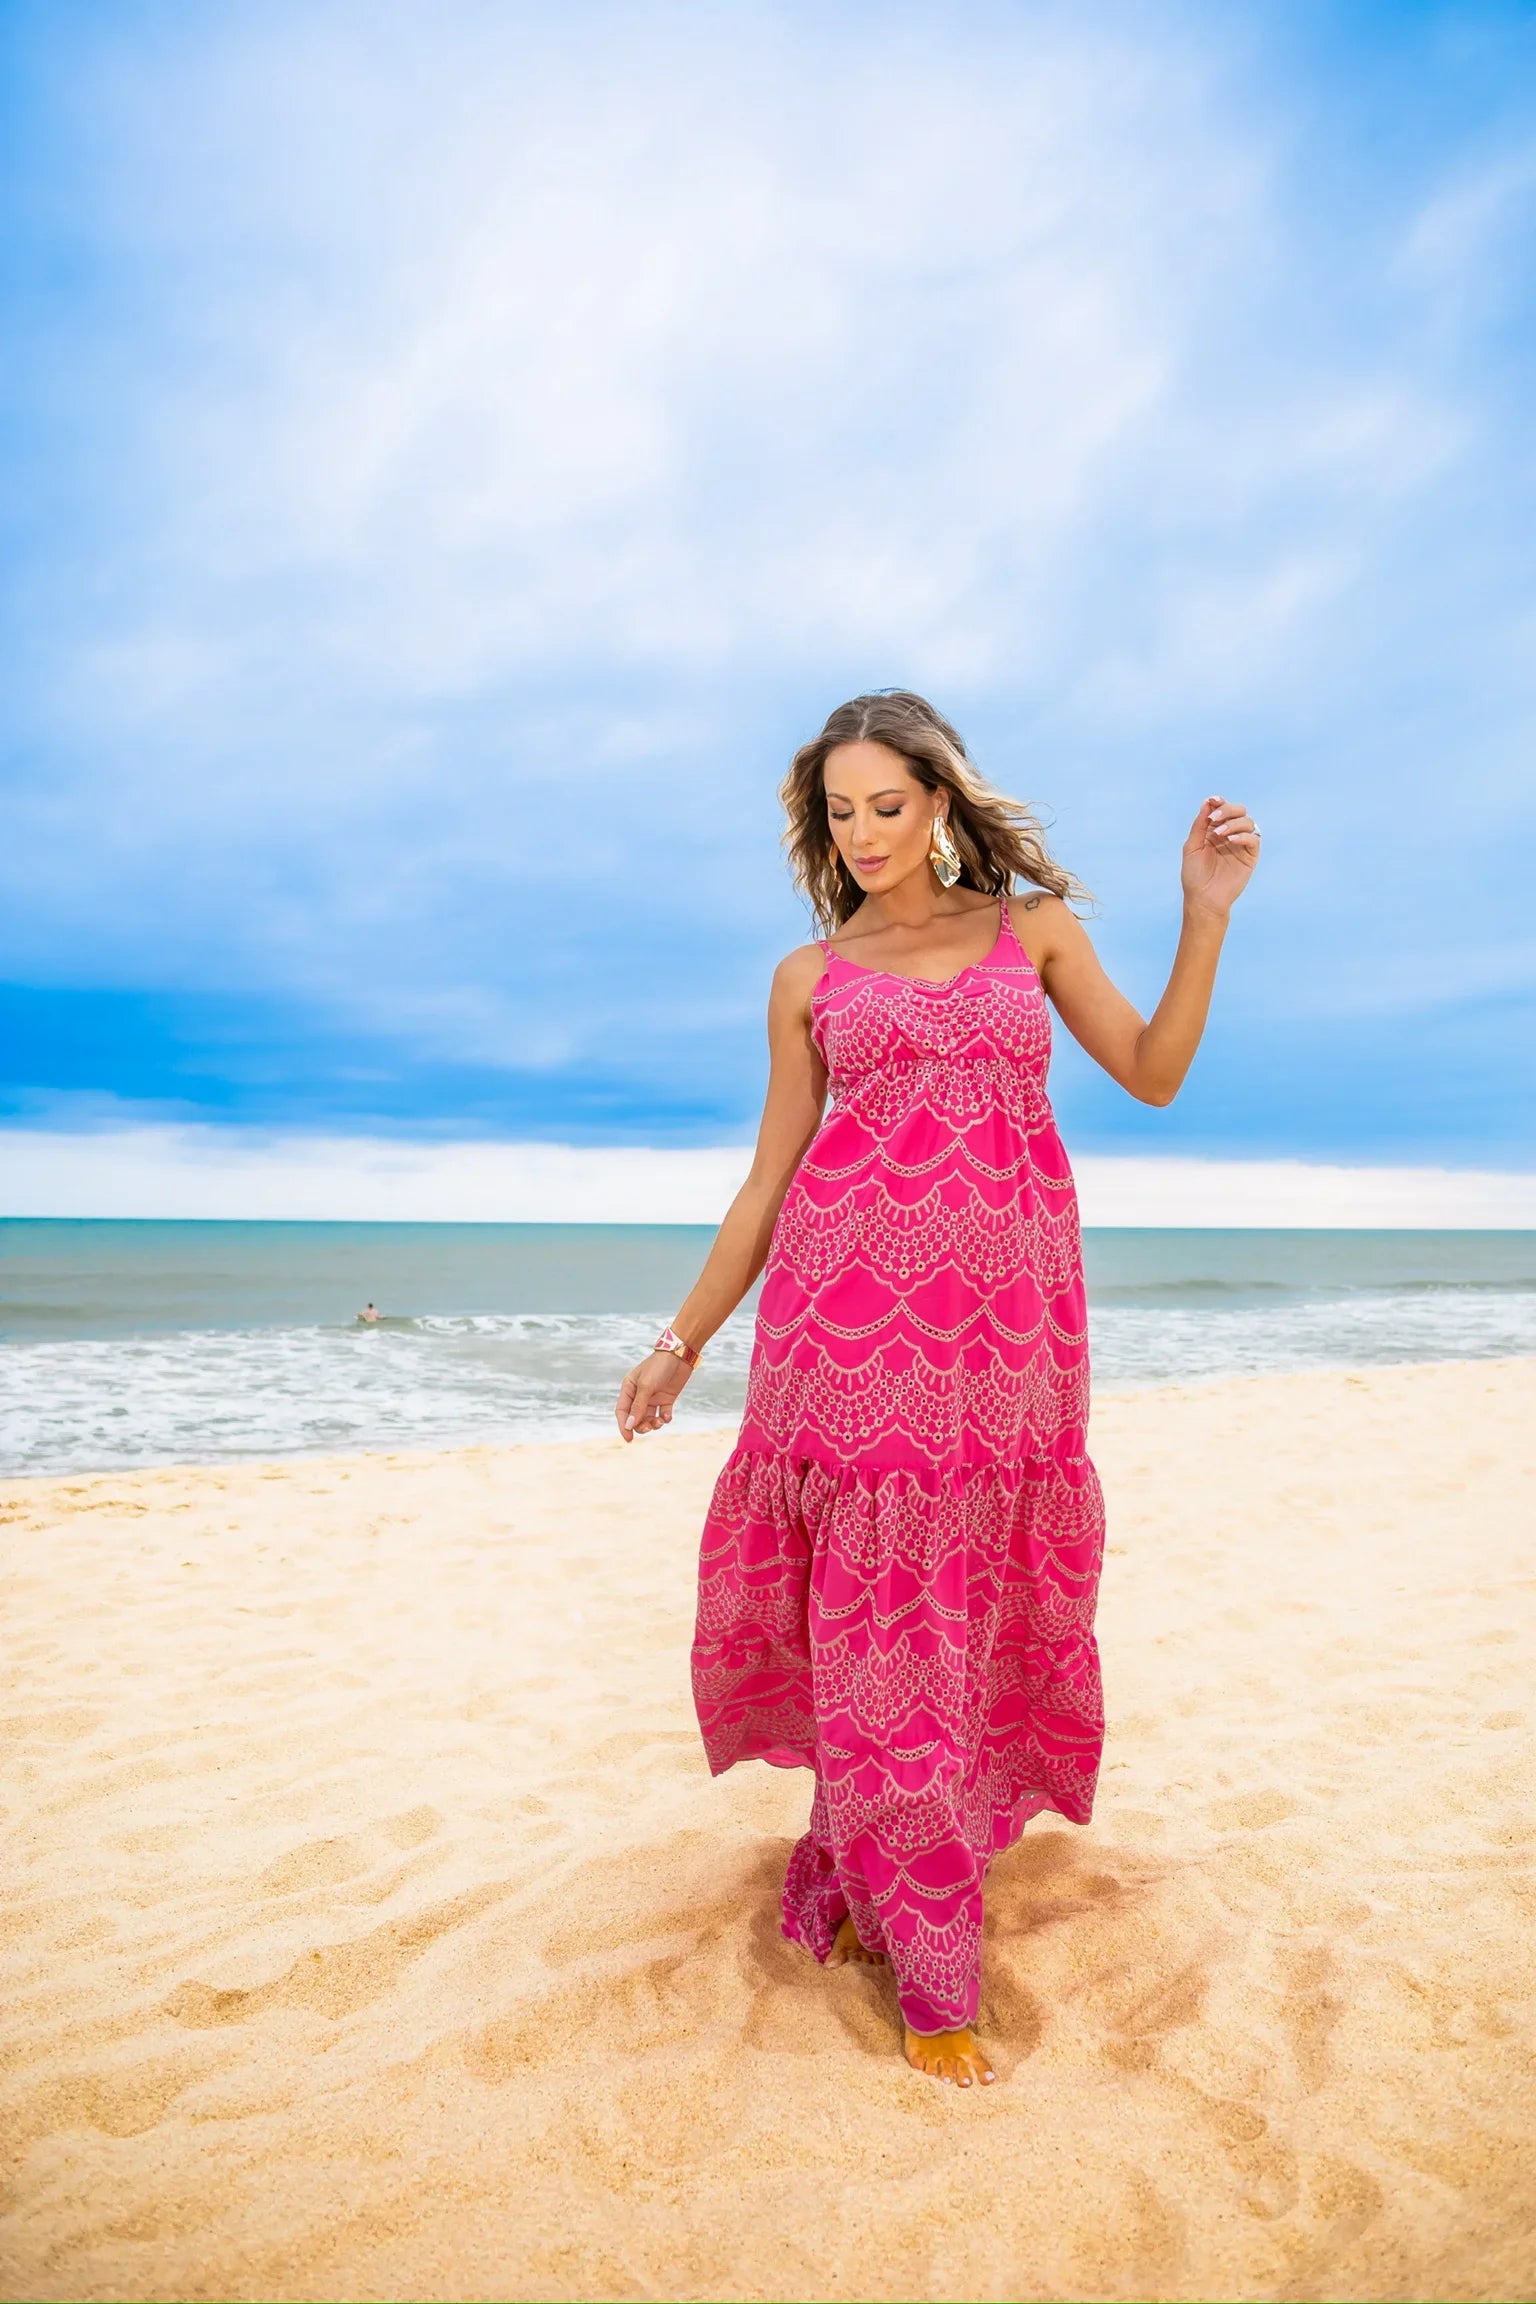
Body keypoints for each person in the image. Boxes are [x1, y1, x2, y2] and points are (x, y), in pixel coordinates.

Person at [614, 690, 1258, 2088]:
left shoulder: (1029, 930)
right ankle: (935, 1978)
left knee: (965, 1618)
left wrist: (1203, 913)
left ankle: (879, 1858)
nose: (862, 836)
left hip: (1012, 1346)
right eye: (839, 813)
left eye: (885, 807)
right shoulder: (806, 978)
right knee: (883, 1629)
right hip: (844, 1341)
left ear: (942, 799)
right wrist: (681, 1342)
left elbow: (1151, 1072)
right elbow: (769, 1183)